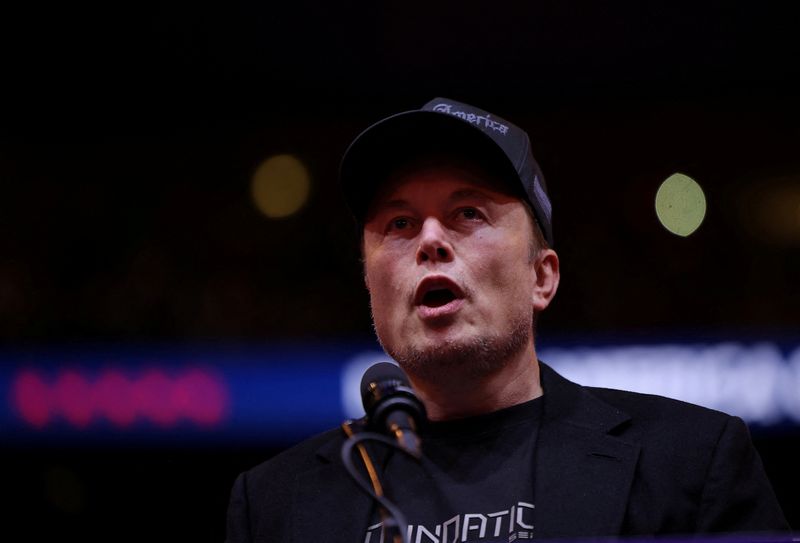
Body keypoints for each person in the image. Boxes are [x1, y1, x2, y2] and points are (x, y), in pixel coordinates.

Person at [226, 98, 790, 542]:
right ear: (369, 282)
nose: (429, 240)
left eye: (467, 213)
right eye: (398, 223)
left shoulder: (690, 464)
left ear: (542, 276)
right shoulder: (275, 503)